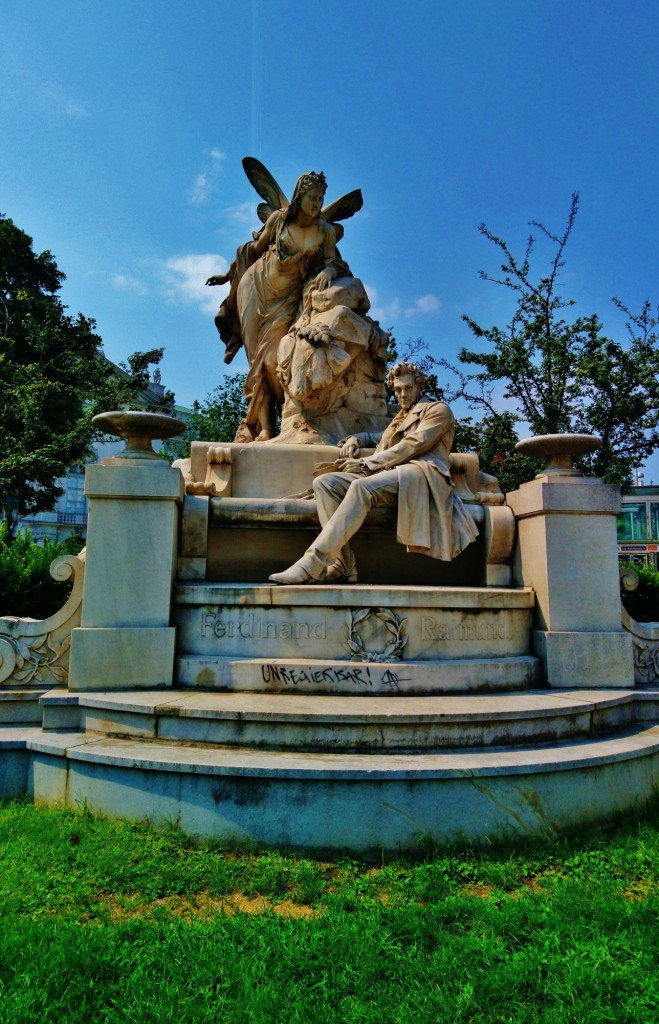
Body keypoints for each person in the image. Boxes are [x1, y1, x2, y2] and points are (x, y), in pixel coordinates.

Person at [269, 362, 480, 584]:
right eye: (397, 390)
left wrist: (366, 464)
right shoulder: (401, 416)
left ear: (419, 386)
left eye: (407, 388)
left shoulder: (438, 410)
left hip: (421, 474)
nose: (402, 394)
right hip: (392, 473)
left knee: (361, 487)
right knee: (325, 483)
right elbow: (381, 437)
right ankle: (342, 565)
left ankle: (312, 563)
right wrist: (357, 438)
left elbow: (412, 445)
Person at [207, 171, 346, 442]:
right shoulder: (279, 219)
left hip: (288, 299)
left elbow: (334, 262)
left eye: (320, 198)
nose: (316, 203)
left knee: (273, 360)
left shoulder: (325, 232)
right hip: (254, 288)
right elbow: (253, 249)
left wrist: (329, 271)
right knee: (255, 361)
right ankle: (265, 427)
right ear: (299, 197)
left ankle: (285, 421)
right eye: (312, 197)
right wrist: (228, 276)